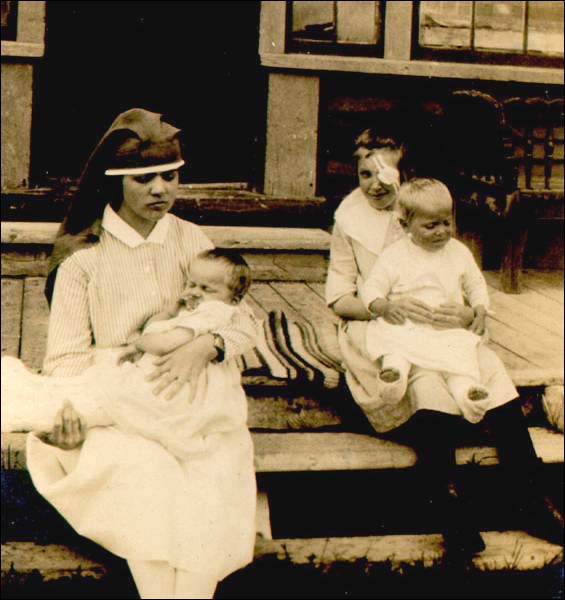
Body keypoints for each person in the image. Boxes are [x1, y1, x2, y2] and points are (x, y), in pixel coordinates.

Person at [23, 108, 261, 599]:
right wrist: (70, 418)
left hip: (193, 400)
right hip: (117, 396)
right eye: (143, 179)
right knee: (147, 475)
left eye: (170, 177)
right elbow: (66, 358)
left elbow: (242, 319)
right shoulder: (83, 255)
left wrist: (208, 344)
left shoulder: (191, 239)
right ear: (116, 184)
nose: (160, 190)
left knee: (213, 476)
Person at [326, 128, 563, 555]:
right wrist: (384, 309)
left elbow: (466, 281)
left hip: (442, 326)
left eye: (385, 173)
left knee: (491, 374)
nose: (376, 184)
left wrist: (470, 313)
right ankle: (448, 505)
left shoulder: (430, 211)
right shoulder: (349, 219)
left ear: (405, 174)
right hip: (380, 326)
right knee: (427, 385)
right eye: (365, 173)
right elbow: (340, 297)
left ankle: (530, 495)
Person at [3, 248, 255, 462]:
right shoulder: (192, 312)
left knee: (104, 403)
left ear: (235, 298)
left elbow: (165, 342)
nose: (195, 292)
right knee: (92, 395)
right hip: (153, 374)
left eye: (207, 289)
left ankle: (23, 411)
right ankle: (27, 402)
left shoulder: (215, 313)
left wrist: (139, 344)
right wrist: (172, 310)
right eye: (191, 284)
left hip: (173, 387)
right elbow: (159, 327)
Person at [362, 179, 492, 424]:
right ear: (405, 224)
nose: (441, 231)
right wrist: (385, 307)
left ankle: (468, 393)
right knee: (392, 341)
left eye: (446, 222)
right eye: (431, 226)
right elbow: (373, 287)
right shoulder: (395, 255)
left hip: (445, 327)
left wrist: (479, 310)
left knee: (461, 351)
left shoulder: (458, 251)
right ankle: (394, 376)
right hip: (406, 323)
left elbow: (475, 283)